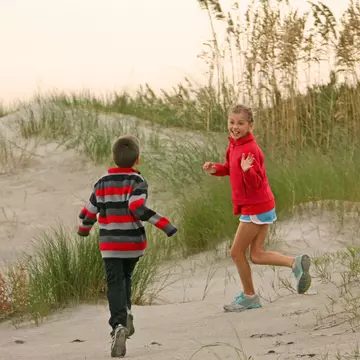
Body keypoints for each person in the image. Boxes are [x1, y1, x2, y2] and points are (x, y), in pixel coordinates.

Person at [202, 105, 311, 312]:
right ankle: (294, 263)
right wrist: (215, 169)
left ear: (250, 125)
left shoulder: (249, 149)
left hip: (256, 206)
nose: (235, 127)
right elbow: (230, 169)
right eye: (232, 122)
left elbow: (255, 182)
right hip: (262, 205)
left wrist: (247, 172)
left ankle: (250, 296)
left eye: (241, 123)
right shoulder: (234, 146)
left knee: (236, 252)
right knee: (257, 255)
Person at [77, 135, 177, 357]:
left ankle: (118, 326)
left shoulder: (101, 183)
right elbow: (137, 207)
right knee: (126, 278)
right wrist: (166, 225)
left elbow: (90, 211)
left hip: (110, 244)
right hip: (133, 243)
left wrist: (83, 229)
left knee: (114, 283)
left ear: (113, 158)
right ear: (137, 160)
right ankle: (127, 312)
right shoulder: (138, 181)